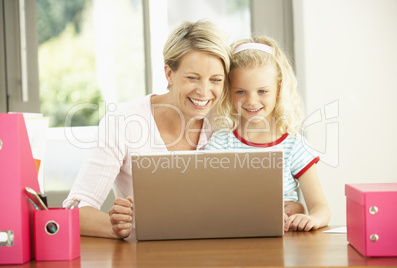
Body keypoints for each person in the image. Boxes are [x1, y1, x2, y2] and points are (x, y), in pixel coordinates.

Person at [63, 20, 232, 239]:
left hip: (216, 251)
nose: (204, 91)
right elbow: (74, 209)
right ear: (169, 74)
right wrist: (116, 227)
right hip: (146, 254)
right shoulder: (123, 122)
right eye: (192, 78)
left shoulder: (225, 124)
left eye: (216, 80)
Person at [204, 36, 331, 231]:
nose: (251, 101)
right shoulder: (220, 143)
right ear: (229, 92)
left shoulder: (294, 146)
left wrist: (309, 218)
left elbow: (321, 208)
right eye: (240, 92)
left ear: (278, 90)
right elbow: (207, 201)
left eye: (262, 91)